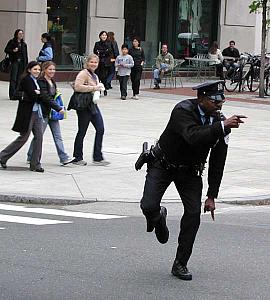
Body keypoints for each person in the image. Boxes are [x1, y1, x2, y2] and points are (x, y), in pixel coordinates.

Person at [139, 81, 246, 280]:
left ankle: (180, 263)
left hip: (190, 172)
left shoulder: (221, 123)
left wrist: (212, 195)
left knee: (193, 214)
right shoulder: (183, 110)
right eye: (214, 101)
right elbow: (192, 136)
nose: (219, 105)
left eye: (221, 100)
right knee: (148, 205)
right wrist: (221, 126)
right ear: (201, 98)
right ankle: (158, 216)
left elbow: (218, 161)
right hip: (163, 164)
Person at [0, 61, 64, 172]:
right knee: (24, 137)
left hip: (38, 113)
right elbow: (33, 96)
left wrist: (38, 94)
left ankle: (35, 164)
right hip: (28, 113)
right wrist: (38, 95)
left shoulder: (38, 81)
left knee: (39, 137)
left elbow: (41, 95)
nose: (37, 71)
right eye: (35, 69)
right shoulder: (27, 80)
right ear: (29, 70)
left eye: (39, 70)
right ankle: (2, 156)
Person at [26, 61, 73, 166]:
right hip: (44, 113)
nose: (52, 71)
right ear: (44, 70)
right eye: (50, 69)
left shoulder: (52, 81)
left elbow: (52, 96)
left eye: (54, 69)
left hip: (53, 113)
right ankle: (30, 156)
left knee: (58, 136)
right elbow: (45, 97)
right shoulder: (41, 81)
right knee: (39, 136)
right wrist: (57, 108)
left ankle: (64, 157)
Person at [70, 54, 110, 166]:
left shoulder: (95, 76)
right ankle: (77, 157)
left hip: (92, 104)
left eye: (95, 62)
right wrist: (93, 88)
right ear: (87, 63)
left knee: (100, 128)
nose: (93, 64)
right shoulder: (83, 73)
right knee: (82, 131)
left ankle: (98, 157)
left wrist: (99, 88)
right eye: (91, 62)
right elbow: (77, 86)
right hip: (84, 106)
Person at [4, 29, 28, 100]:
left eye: (22, 34)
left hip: (21, 63)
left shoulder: (24, 44)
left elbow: (25, 55)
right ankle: (12, 94)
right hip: (15, 62)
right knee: (13, 78)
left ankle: (17, 94)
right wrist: (13, 51)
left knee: (19, 79)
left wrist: (26, 64)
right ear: (16, 34)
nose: (21, 35)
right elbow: (6, 50)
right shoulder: (12, 42)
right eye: (19, 34)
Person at [93, 31, 114, 96]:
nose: (104, 36)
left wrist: (102, 52)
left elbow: (110, 52)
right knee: (98, 76)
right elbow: (95, 51)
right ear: (100, 36)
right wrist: (104, 51)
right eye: (102, 35)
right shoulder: (97, 43)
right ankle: (98, 90)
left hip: (106, 63)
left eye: (105, 35)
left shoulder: (109, 43)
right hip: (99, 62)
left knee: (104, 77)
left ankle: (104, 88)